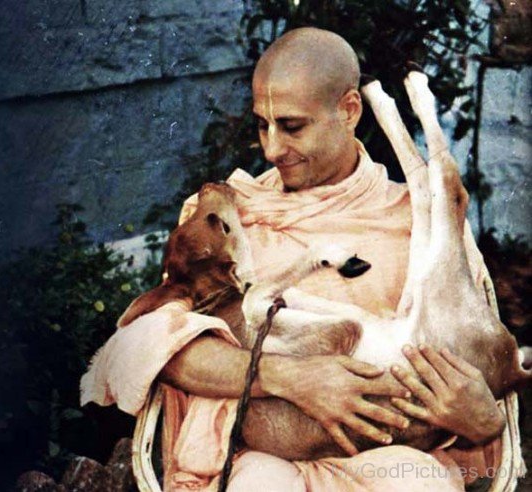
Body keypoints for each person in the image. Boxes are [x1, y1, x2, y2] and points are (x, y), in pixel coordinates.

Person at [81, 28, 506, 491]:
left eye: (292, 126)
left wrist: (484, 419)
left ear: (348, 110)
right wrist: (289, 377)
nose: (271, 149)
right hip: (259, 456)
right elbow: (157, 348)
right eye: (262, 124)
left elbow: (477, 357)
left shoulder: (415, 220)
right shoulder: (226, 218)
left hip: (393, 453)